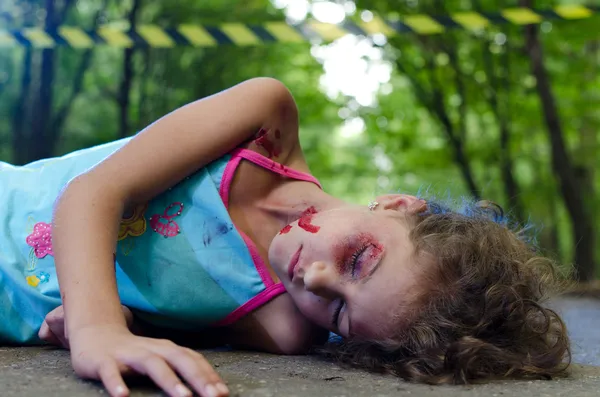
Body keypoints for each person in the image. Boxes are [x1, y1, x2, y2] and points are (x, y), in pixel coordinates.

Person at [0, 78, 570, 397]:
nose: (316, 281)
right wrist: (95, 326)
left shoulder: (283, 326)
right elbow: (92, 193)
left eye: (340, 316)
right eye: (359, 258)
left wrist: (121, 323)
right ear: (397, 204)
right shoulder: (262, 125)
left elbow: (165, 313)